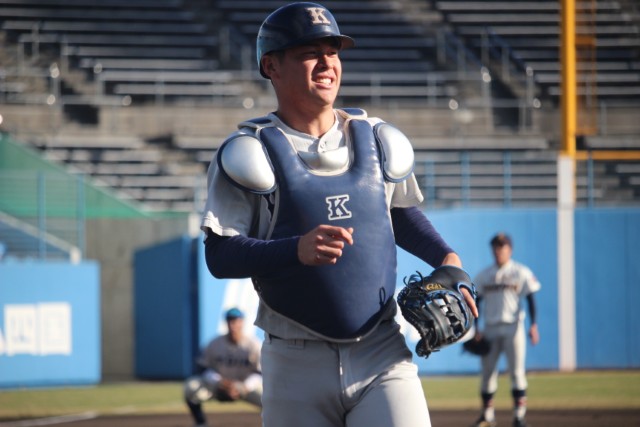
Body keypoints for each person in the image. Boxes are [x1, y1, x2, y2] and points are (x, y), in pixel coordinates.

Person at [200, 3, 477, 426]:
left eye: (333, 51)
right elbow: (220, 256)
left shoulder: (378, 139)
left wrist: (446, 256)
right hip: (294, 361)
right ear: (271, 66)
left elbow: (399, 214)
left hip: (382, 352)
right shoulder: (249, 152)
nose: (327, 62)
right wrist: (295, 250)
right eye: (309, 52)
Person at [470, 233, 541, 427]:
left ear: (510, 250)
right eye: (495, 246)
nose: (498, 250)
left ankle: (519, 417)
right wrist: (476, 329)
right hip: (490, 329)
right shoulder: (485, 275)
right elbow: (476, 301)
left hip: (513, 328)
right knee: (487, 374)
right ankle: (487, 416)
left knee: (517, 373)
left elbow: (531, 299)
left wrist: (533, 325)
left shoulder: (520, 272)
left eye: (502, 246)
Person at [183, 308, 262, 427]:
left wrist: (245, 387)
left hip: (244, 386)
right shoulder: (214, 343)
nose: (232, 325)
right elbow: (203, 368)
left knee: (272, 398)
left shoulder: (253, 345)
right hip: (218, 386)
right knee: (191, 387)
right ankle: (201, 423)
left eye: (236, 321)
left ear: (242, 323)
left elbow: (260, 373)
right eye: (230, 321)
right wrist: (220, 381)